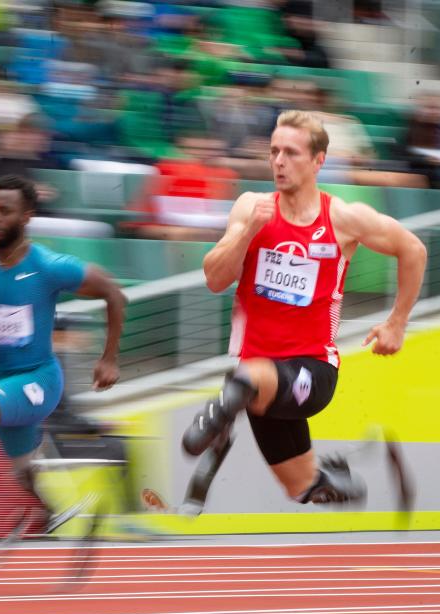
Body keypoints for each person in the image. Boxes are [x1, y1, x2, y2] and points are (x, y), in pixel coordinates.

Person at [180, 110, 427, 512]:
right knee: (304, 490)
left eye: (291, 153)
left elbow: (413, 249)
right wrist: (246, 233)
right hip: (258, 378)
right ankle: (337, 480)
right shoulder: (251, 207)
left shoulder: (344, 218)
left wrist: (396, 322)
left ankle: (218, 418)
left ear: (318, 161)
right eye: (274, 151)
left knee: (244, 381)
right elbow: (214, 278)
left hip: (311, 370)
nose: (279, 161)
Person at [0, 175, 126, 523]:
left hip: (40, 378)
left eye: (4, 211)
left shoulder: (48, 266)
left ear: (26, 217)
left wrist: (109, 358)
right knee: (24, 471)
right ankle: (52, 515)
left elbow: (114, 293)